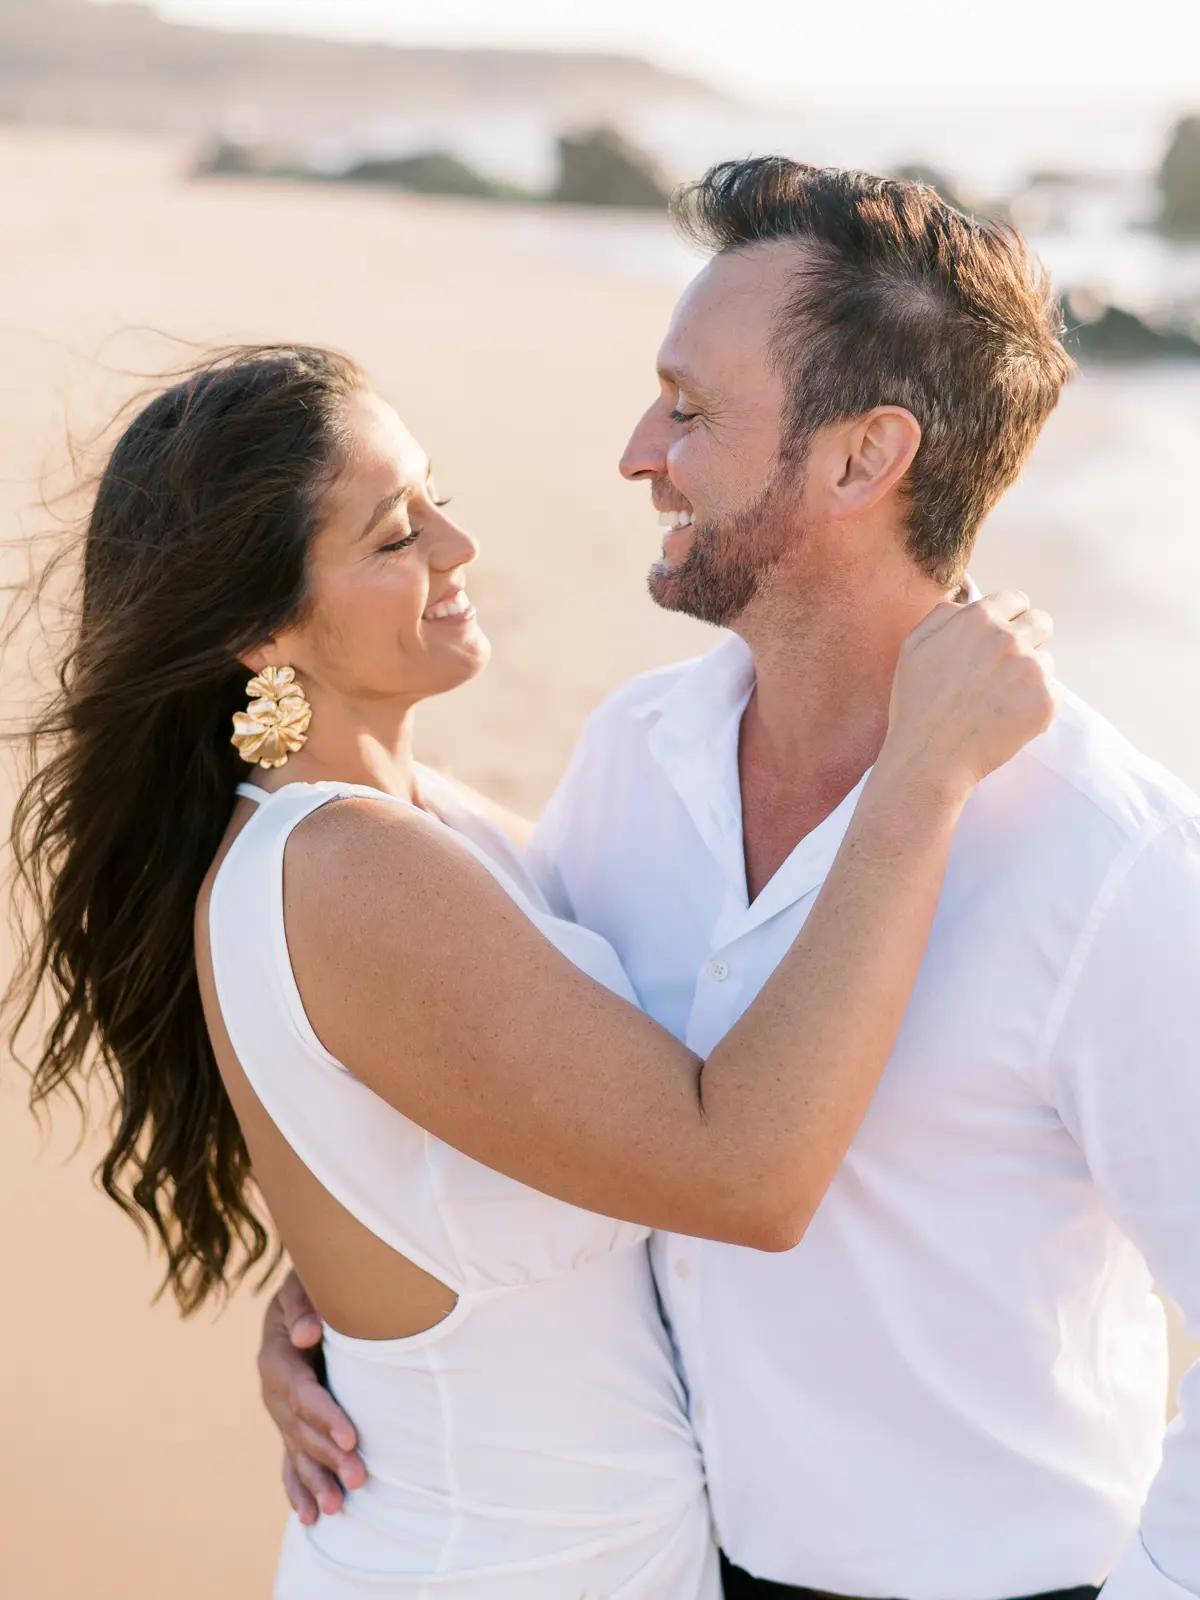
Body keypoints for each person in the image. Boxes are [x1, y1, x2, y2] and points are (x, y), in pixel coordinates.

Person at [265, 161, 1200, 1600]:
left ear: (857, 460)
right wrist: (355, 1316)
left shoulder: (1110, 858)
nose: (641, 449)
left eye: (691, 410)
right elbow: (554, 1105)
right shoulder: (636, 756)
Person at [7, 336, 1053, 1599]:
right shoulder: (343, 865)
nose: (456, 547)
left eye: (436, 496)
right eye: (395, 537)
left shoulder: (424, 820)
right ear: (258, 630)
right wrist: (920, 777)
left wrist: (342, 1286)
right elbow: (746, 1172)